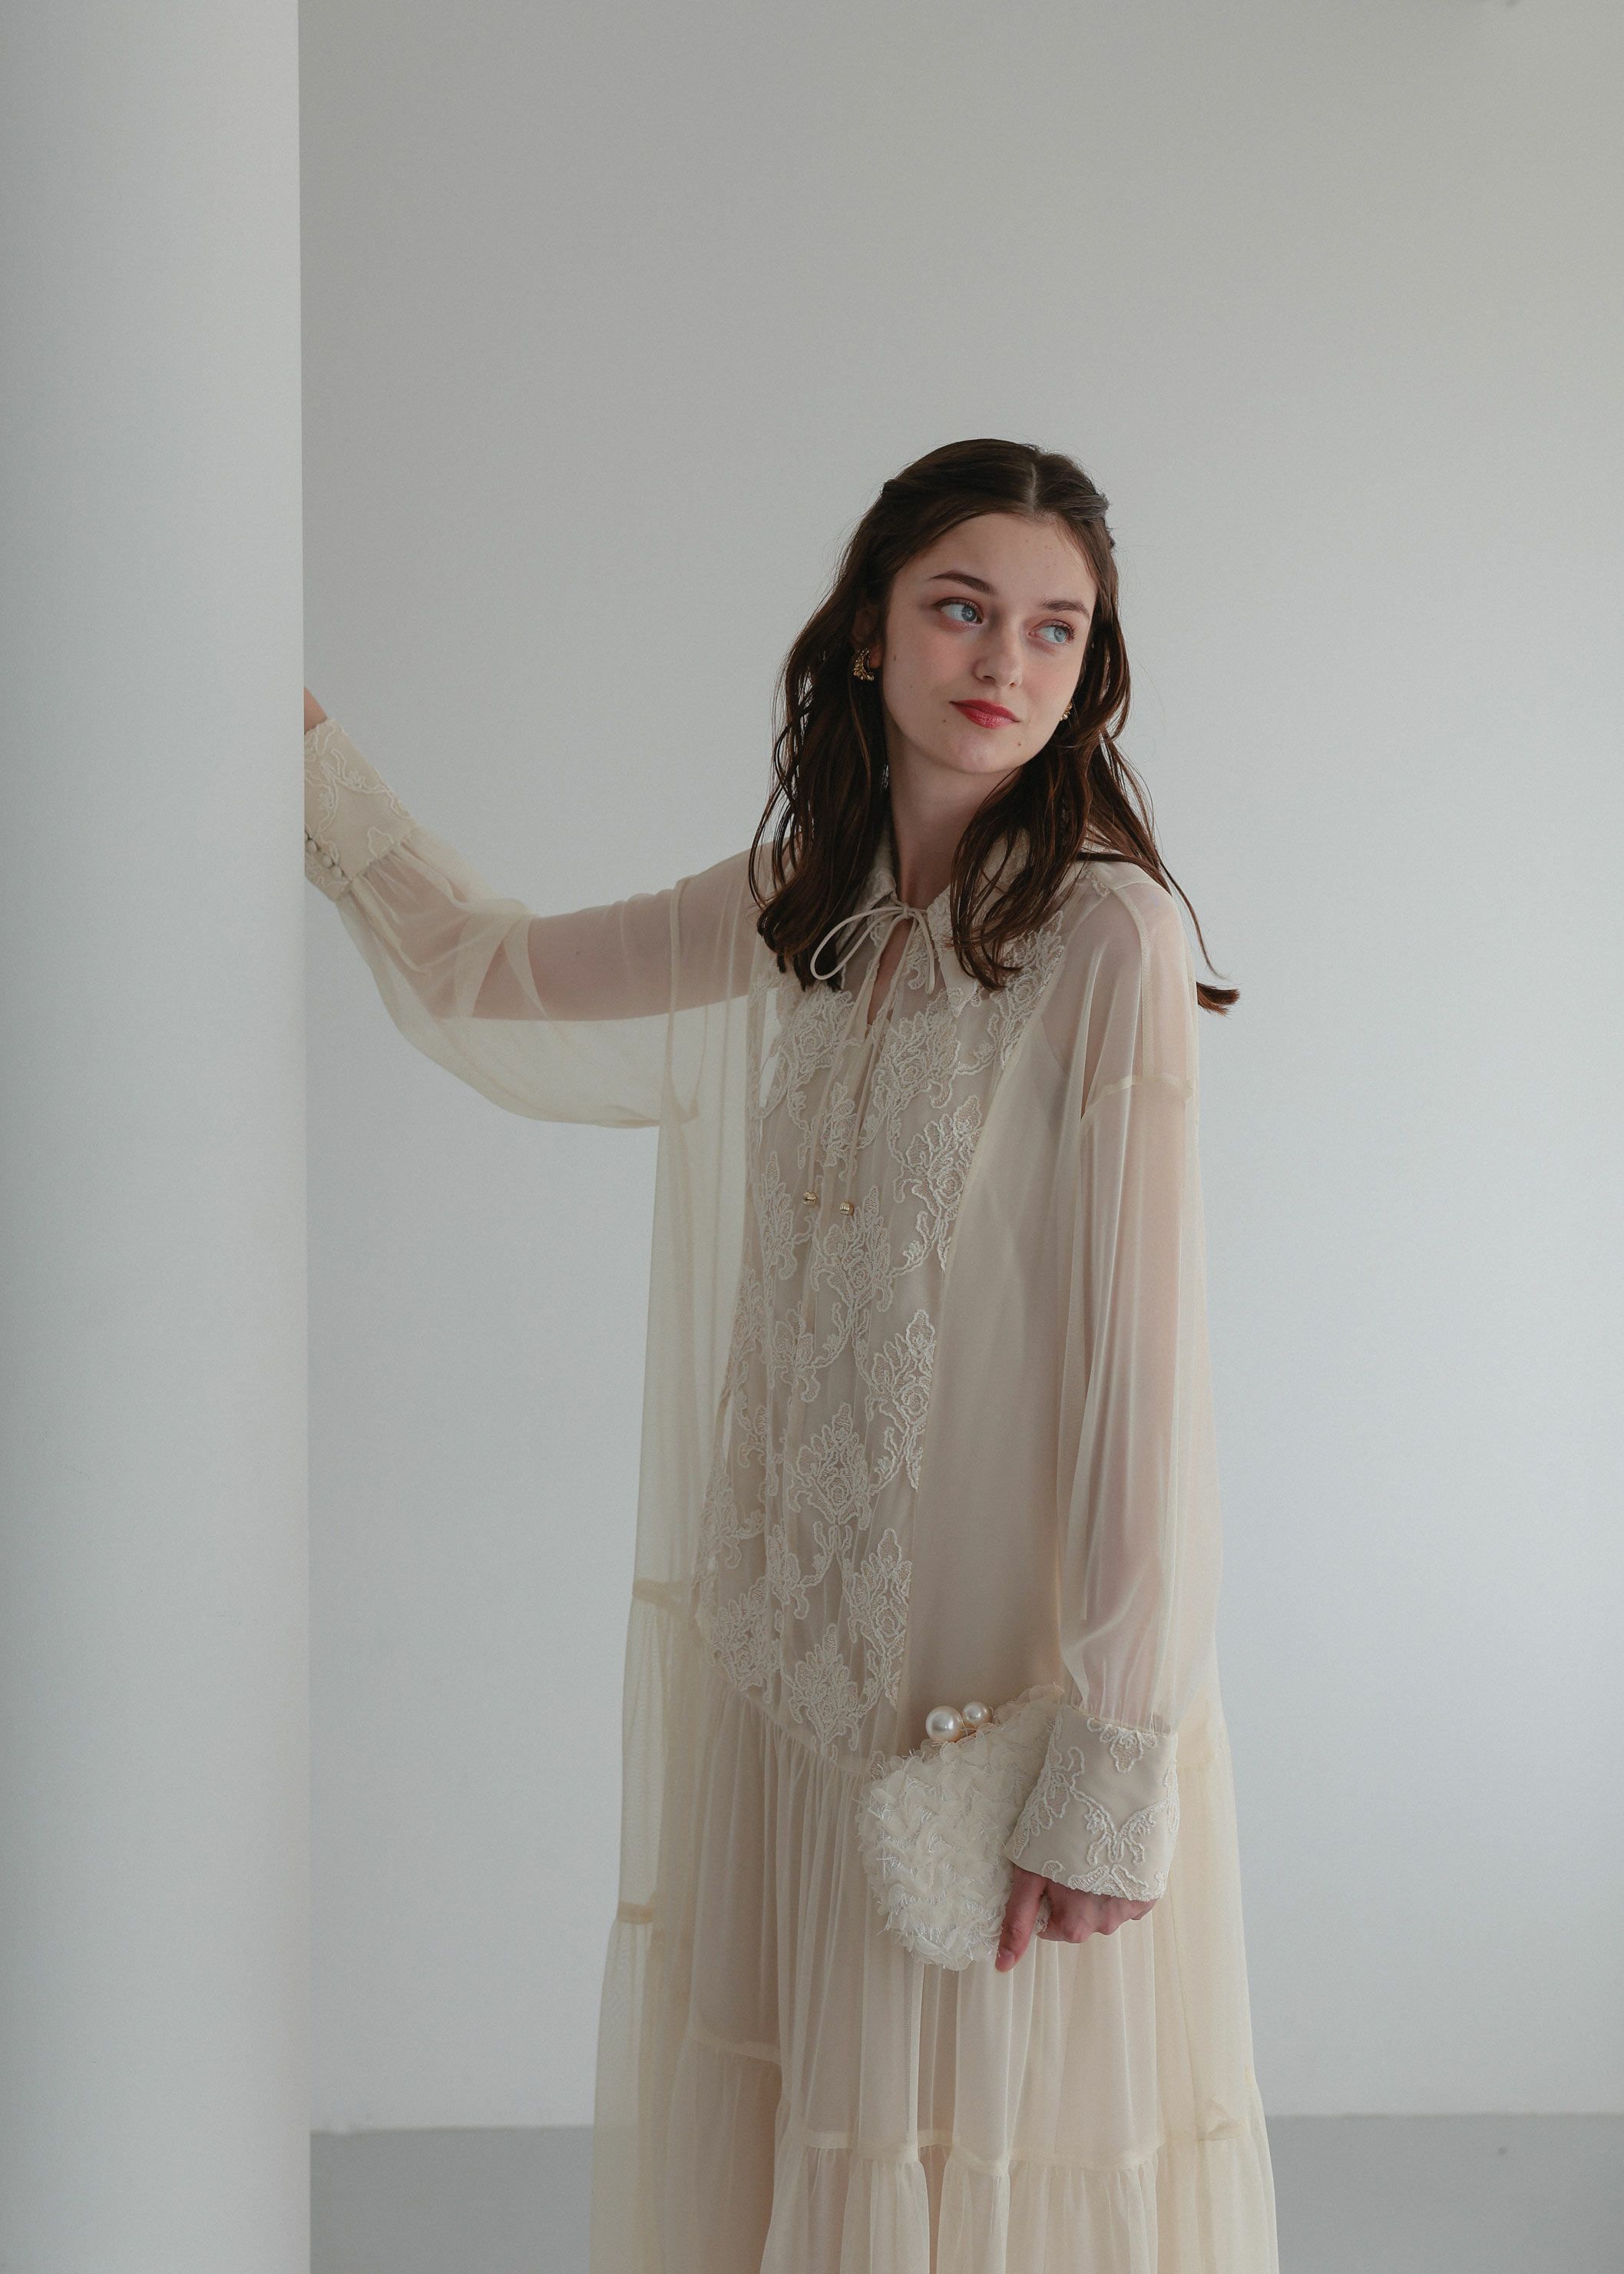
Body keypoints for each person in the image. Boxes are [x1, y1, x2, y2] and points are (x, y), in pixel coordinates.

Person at [303, 437, 1279, 2273]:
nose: (1003, 659)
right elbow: (487, 973)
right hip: (795, 1660)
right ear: (867, 632)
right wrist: (307, 768)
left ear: (1090, 669)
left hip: (984, 1691)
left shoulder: (1104, 936)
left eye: (1054, 628)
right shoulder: (796, 901)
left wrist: (1110, 1749)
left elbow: (1142, 1378)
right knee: (795, 2158)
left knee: (967, 2161)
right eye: (961, 607)